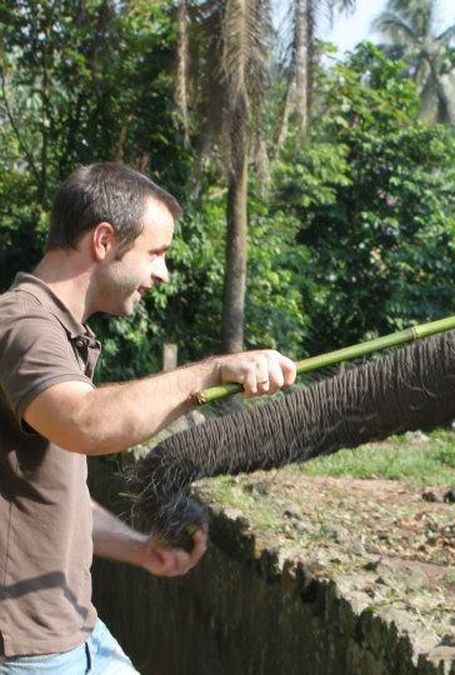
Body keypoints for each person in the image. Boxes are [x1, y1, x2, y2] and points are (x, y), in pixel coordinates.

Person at [0, 163, 296, 673]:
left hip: (80, 630)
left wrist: (140, 549)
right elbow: (85, 422)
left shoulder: (57, 332)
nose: (162, 273)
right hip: (32, 652)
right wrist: (209, 373)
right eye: (156, 253)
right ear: (104, 240)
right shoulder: (24, 325)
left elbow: (51, 498)